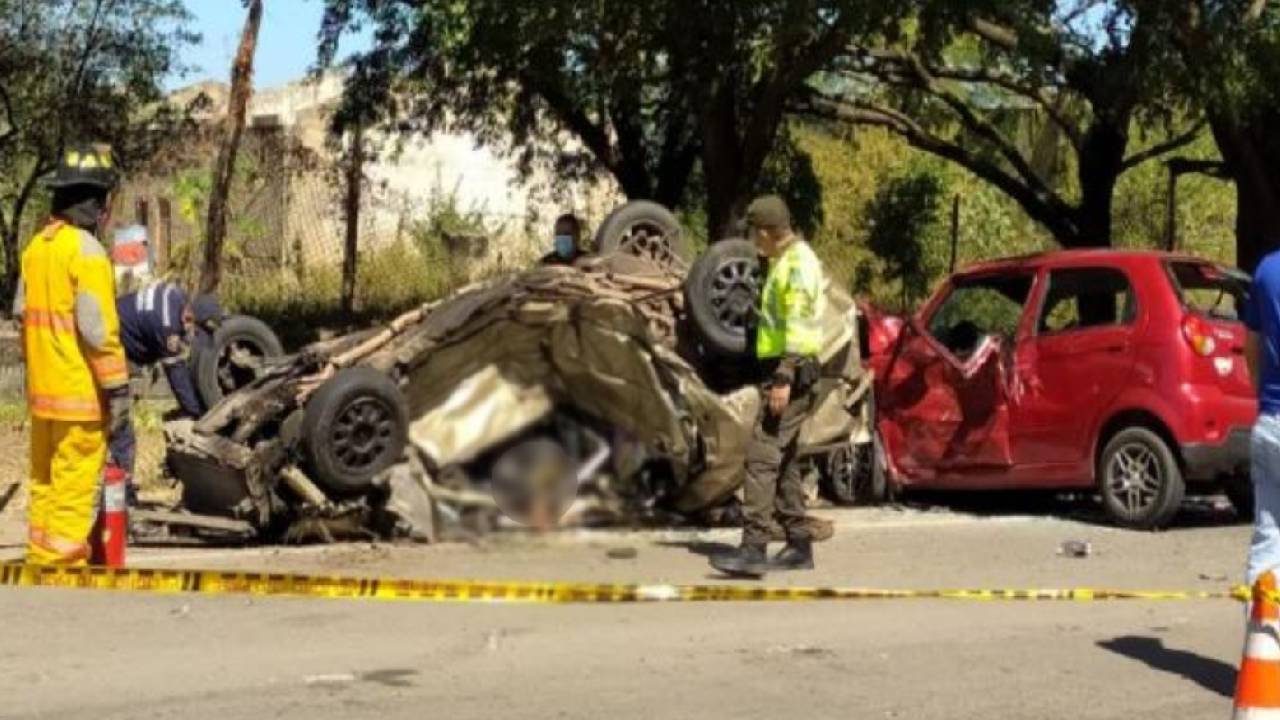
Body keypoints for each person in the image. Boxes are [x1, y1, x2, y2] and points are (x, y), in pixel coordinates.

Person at [15, 143, 130, 565]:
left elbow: (21, 314)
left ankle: (40, 554)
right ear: (96, 204)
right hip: (79, 398)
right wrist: (118, 389)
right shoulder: (88, 253)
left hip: (43, 396)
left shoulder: (36, 249)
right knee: (73, 482)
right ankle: (60, 564)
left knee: (45, 479)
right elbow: (98, 331)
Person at [711, 195, 826, 578]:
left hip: (791, 373)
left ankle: (754, 548)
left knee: (761, 457)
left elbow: (800, 324)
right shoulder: (784, 262)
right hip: (785, 370)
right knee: (785, 460)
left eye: (754, 234)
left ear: (765, 232)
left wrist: (784, 377)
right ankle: (798, 545)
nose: (753, 241)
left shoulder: (797, 265)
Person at [111, 282, 221, 487]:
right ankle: (120, 490)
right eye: (194, 330)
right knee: (121, 427)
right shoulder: (168, 326)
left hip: (117, 326)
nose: (191, 336)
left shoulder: (177, 296)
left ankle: (118, 484)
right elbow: (176, 374)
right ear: (188, 318)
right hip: (112, 344)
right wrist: (196, 413)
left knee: (118, 426)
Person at [1244, 252, 1280, 586]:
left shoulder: (1266, 270)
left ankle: (1264, 616)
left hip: (1271, 421)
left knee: (1268, 544)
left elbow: (1251, 345)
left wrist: (1263, 399)